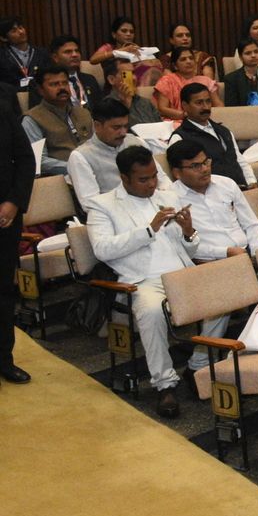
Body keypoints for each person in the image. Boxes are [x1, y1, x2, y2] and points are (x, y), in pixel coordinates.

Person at [84, 148, 219, 417]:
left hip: (181, 273)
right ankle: (164, 384)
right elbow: (102, 249)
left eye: (154, 177)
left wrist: (188, 232)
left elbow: (189, 249)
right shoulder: (102, 205)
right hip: (143, 279)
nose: (152, 184)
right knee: (152, 311)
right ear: (124, 178)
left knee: (223, 295)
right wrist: (149, 230)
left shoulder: (167, 197)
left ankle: (199, 362)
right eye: (143, 179)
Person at [166, 139, 258, 261]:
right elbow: (184, 246)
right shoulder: (170, 199)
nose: (205, 169)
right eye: (195, 166)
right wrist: (226, 252)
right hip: (213, 261)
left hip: (248, 251)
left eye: (206, 162)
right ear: (177, 173)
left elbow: (251, 224)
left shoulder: (227, 184)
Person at [68, 98, 167, 201]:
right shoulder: (81, 156)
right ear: (97, 126)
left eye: (125, 126)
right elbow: (90, 202)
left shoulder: (136, 142)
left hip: (152, 203)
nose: (123, 132)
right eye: (116, 128)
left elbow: (162, 179)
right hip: (114, 208)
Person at [0, 98, 31, 384]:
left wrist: (14, 201)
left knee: (2, 291)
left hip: (4, 216)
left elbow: (25, 159)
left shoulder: (3, 108)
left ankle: (4, 360)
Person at [172, 84, 256, 188]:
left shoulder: (223, 131)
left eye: (208, 101)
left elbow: (239, 160)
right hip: (210, 193)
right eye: (199, 103)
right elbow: (183, 176)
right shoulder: (180, 137)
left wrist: (251, 181)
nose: (206, 107)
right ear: (185, 105)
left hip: (240, 189)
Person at [22, 67, 92, 175]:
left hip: (94, 171)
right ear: (40, 90)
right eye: (54, 84)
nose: (62, 88)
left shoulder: (83, 113)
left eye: (65, 83)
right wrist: (78, 167)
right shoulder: (32, 120)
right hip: (62, 178)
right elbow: (39, 161)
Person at [152, 49, 215, 122]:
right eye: (183, 59)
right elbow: (162, 109)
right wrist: (186, 115)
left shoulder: (206, 81)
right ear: (175, 66)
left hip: (203, 119)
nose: (188, 61)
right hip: (175, 121)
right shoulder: (166, 81)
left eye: (191, 58)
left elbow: (218, 105)